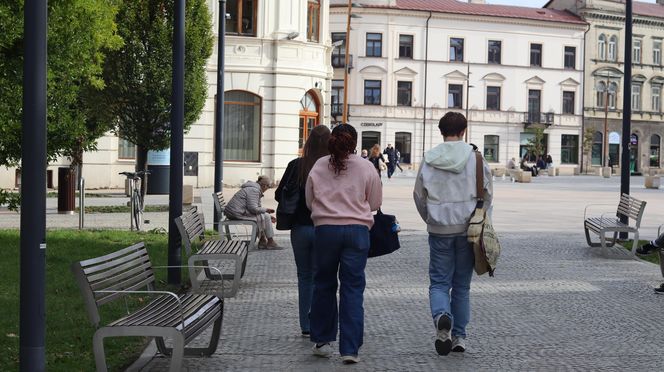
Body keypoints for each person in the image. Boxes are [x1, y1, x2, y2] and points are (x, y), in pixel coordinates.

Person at [413, 112, 492, 356]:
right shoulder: (476, 159)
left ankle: (442, 318)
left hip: (439, 230)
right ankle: (459, 337)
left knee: (439, 282)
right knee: (461, 286)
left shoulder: (429, 159)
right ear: (464, 131)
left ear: (440, 131)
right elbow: (487, 194)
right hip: (468, 230)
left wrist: (431, 218)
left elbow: (418, 195)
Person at [305, 124, 382, 364]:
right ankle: (350, 349)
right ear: (355, 143)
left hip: (326, 231)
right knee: (352, 288)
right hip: (357, 232)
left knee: (323, 284)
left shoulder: (319, 165)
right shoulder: (366, 167)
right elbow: (375, 203)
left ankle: (322, 340)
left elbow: (309, 201)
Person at [275, 125, 331, 338]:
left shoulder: (296, 165)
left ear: (307, 143)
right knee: (321, 276)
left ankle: (305, 325)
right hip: (323, 228)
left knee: (304, 276)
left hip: (299, 228)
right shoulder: (330, 166)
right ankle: (319, 321)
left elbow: (280, 194)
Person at [225, 175, 282, 249]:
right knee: (264, 216)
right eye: (268, 186)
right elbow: (253, 208)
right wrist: (266, 210)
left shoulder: (253, 189)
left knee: (264, 216)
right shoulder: (254, 190)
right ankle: (269, 241)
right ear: (264, 185)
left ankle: (262, 240)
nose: (268, 188)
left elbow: (256, 208)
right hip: (236, 213)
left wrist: (266, 213)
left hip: (236, 211)